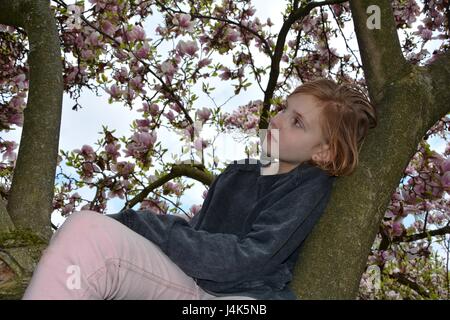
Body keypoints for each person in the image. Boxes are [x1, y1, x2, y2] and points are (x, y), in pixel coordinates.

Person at [22, 78, 377, 300]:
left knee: (89, 232)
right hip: (192, 283)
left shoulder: (309, 184)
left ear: (323, 151)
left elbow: (249, 258)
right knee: (84, 228)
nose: (278, 120)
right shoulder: (240, 172)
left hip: (237, 297)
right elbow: (197, 238)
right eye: (285, 109)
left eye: (297, 122)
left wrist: (145, 224)